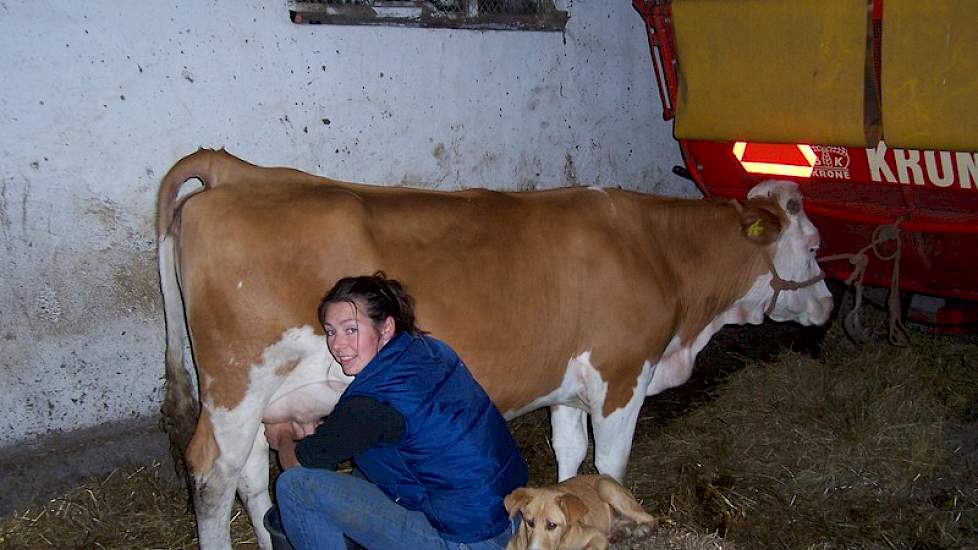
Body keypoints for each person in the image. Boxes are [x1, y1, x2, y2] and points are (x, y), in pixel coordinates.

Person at [266, 272, 528, 550]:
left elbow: (302, 463)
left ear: (386, 327)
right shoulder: (427, 349)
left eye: (350, 330)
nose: (338, 345)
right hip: (511, 516)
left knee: (295, 488)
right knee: (365, 472)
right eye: (331, 332)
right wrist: (328, 436)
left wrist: (283, 436)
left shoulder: (369, 405)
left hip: (465, 539)